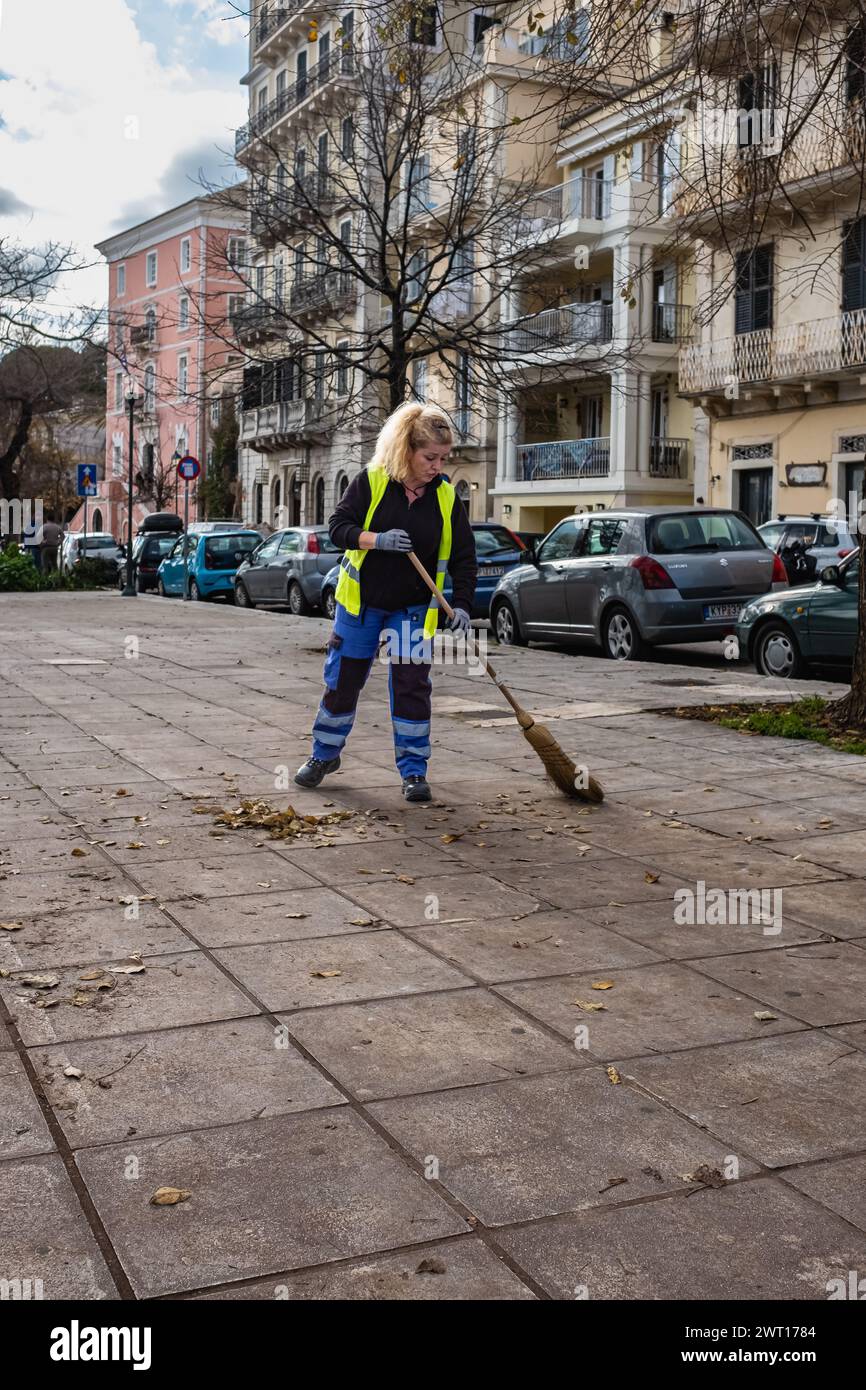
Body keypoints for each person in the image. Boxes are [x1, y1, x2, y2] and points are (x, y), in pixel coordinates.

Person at [294, 402, 477, 803]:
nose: (437, 466)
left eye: (443, 458)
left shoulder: (445, 497)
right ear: (405, 450)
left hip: (412, 609)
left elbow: (464, 555)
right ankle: (323, 755)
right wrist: (378, 540)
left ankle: (414, 771)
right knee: (343, 681)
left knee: (412, 686)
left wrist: (461, 604)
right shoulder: (372, 481)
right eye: (430, 457)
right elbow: (338, 528)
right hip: (362, 606)